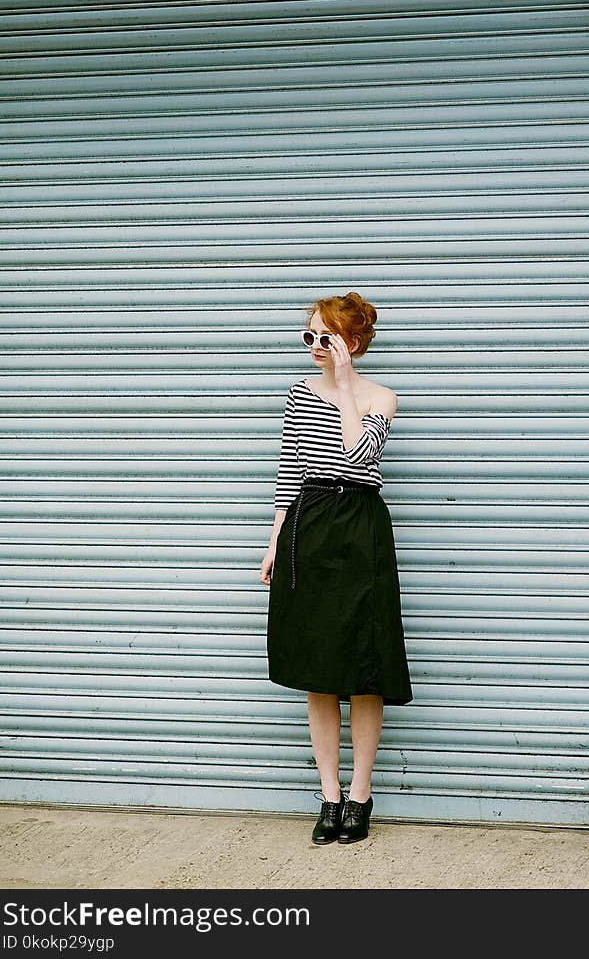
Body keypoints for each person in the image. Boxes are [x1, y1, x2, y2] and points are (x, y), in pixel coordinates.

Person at [260, 290, 412, 846]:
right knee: (319, 672)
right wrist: (276, 539)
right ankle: (328, 796)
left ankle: (362, 794)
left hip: (362, 532)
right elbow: (289, 471)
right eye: (310, 335)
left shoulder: (382, 397)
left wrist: (346, 386)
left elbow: (356, 457)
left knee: (364, 671)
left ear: (352, 342)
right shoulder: (299, 394)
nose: (315, 346)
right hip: (310, 527)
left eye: (326, 336)